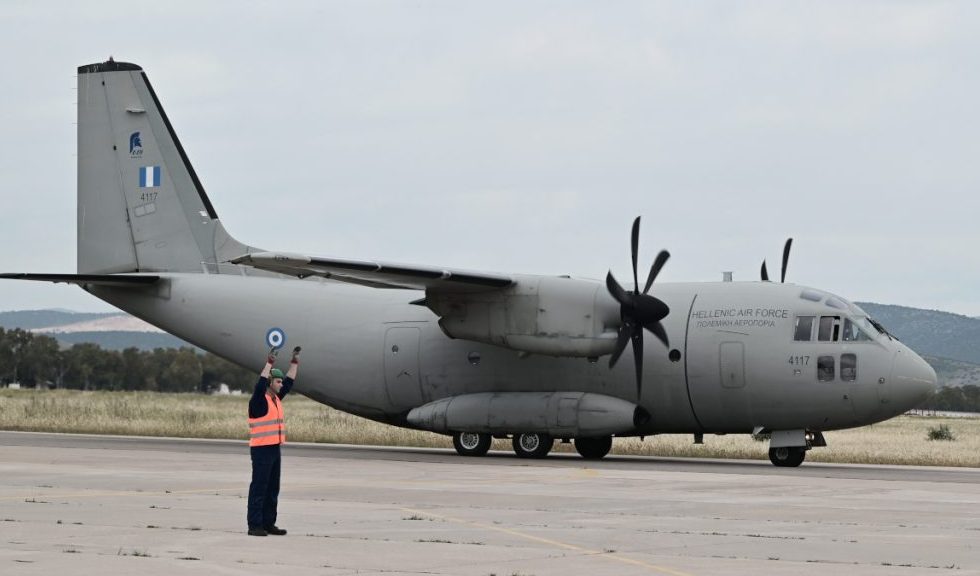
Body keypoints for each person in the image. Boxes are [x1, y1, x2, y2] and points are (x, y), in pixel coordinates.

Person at [247, 346, 300, 536]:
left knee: (272, 488)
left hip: (274, 449)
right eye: (277, 381)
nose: (281, 384)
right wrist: (269, 363)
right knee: (259, 487)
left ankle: (269, 523)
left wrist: (294, 362)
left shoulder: (276, 399)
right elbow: (259, 385)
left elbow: (290, 382)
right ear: (270, 383)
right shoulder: (259, 401)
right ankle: (255, 525)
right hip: (261, 450)